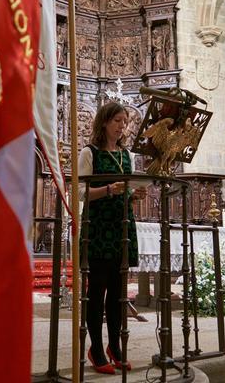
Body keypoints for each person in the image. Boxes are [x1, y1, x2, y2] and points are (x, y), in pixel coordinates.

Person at [78, 101, 146, 374]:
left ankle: (114, 347)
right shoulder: (89, 152)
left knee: (118, 294)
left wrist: (132, 194)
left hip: (121, 229)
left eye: (125, 121)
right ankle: (95, 348)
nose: (122, 126)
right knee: (97, 292)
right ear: (104, 122)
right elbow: (80, 193)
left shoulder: (126, 155)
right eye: (117, 120)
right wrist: (109, 190)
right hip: (97, 229)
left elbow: (125, 190)